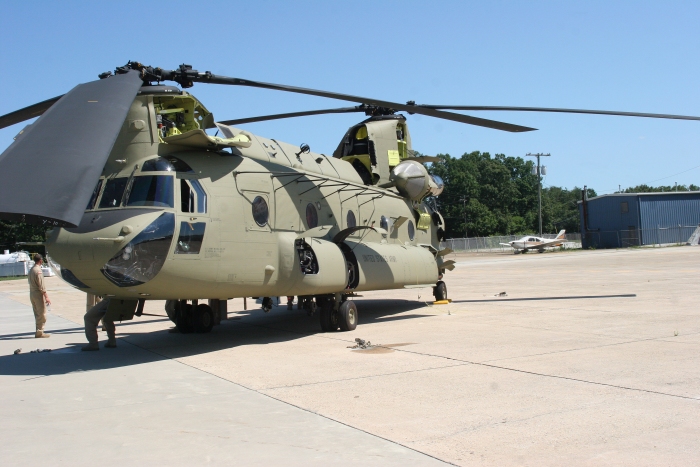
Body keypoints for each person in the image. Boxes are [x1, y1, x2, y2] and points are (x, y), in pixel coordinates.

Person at [28, 254, 51, 338]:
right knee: (42, 314)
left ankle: (38, 330)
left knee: (37, 313)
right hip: (38, 294)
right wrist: (46, 296)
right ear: (40, 260)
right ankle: (40, 332)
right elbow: (41, 285)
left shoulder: (31, 269)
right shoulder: (38, 270)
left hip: (32, 293)